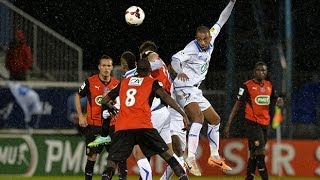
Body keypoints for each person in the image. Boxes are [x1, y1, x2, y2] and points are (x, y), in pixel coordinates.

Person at [170, 0, 236, 176]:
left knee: (215, 120)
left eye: (205, 38)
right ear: (196, 38)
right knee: (198, 118)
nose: (203, 42)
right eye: (199, 39)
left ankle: (214, 156)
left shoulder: (212, 36)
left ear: (209, 36)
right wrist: (179, 71)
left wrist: (232, 3)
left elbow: (221, 20)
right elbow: (175, 60)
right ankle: (190, 157)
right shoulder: (191, 48)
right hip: (183, 87)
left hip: (195, 89)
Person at [100, 58, 189, 180]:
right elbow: (166, 97)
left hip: (123, 127)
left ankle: (105, 177)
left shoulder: (125, 82)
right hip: (143, 126)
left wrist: (110, 107)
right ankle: (183, 177)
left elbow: (104, 100)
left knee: (112, 161)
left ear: (137, 69)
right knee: (167, 154)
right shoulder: (152, 82)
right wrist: (183, 114)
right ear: (150, 70)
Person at [224, 61, 284, 180]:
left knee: (253, 154)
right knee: (260, 151)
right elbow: (237, 105)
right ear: (254, 72)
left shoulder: (269, 85)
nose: (261, 72)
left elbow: (277, 99)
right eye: (259, 70)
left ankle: (249, 178)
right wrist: (228, 124)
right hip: (252, 123)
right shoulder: (246, 86)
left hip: (265, 124)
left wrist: (279, 101)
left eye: (264, 71)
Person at [74, 54, 121, 180]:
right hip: (95, 126)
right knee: (92, 157)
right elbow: (77, 96)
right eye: (104, 65)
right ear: (99, 67)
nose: (106, 68)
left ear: (112, 68)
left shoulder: (117, 84)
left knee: (115, 158)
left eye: (109, 66)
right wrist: (80, 116)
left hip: (112, 126)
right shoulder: (90, 82)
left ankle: (106, 177)